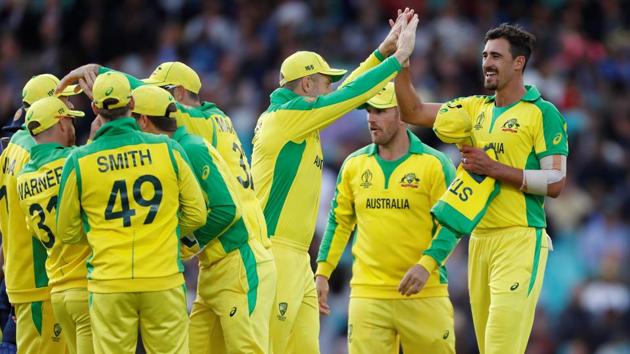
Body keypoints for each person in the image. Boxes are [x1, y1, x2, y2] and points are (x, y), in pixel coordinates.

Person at [250, 10, 419, 354]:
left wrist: (381, 52)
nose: (331, 87)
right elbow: (348, 97)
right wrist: (398, 60)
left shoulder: (302, 118)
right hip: (273, 250)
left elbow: (346, 89)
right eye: (326, 81)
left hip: (297, 256)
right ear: (307, 84)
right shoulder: (286, 117)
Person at [395, 23, 568, 354]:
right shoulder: (473, 109)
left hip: (519, 239)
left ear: (518, 63)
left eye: (497, 56)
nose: (487, 63)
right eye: (485, 55)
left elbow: (556, 182)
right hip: (479, 241)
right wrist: (402, 60)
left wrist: (493, 168)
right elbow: (412, 111)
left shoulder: (542, 113)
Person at [56, 72, 207, 354]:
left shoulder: (79, 161)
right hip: (163, 278)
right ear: (133, 103)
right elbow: (197, 214)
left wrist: (101, 233)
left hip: (109, 282)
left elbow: (65, 230)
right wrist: (165, 232)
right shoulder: (168, 149)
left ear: (94, 109)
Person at [57, 61, 271, 250]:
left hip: (239, 246)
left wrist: (100, 73)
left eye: (160, 91)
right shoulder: (214, 119)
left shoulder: (200, 122)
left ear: (178, 93)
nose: (151, 99)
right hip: (242, 240)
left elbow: (223, 210)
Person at [130, 85, 276, 354]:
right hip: (213, 270)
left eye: (131, 120)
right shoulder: (175, 149)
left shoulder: (192, 149)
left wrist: (186, 244)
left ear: (144, 121)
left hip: (239, 265)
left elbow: (226, 210)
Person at [315, 82, 458, 354]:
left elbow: (452, 226)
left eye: (380, 111)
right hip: (368, 296)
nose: (371, 119)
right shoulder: (354, 165)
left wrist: (426, 265)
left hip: (424, 294)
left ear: (403, 114)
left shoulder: (435, 164)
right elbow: (339, 222)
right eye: (369, 111)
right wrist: (323, 273)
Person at [0, 73, 80, 354]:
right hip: (41, 279)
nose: (69, 107)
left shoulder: (11, 147)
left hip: (21, 273)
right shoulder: (37, 151)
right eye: (64, 101)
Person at [16, 97, 92, 354]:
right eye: (70, 119)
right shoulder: (76, 160)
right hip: (87, 285)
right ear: (61, 123)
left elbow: (32, 229)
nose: (73, 126)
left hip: (58, 290)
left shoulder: (24, 177)